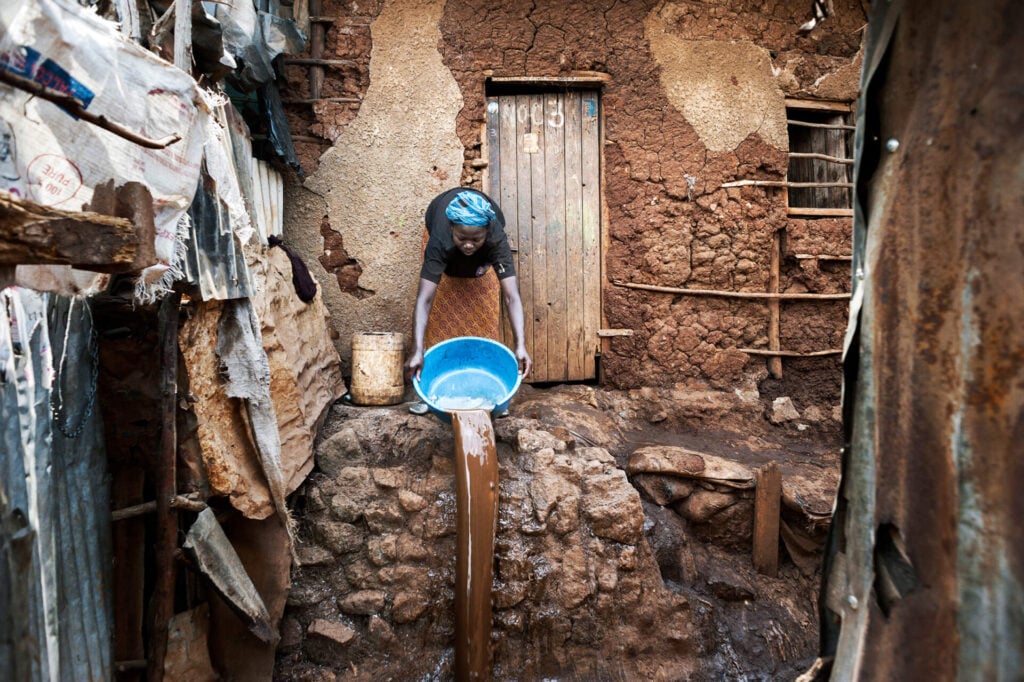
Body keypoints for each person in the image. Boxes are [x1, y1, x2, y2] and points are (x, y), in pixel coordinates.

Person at [406, 188, 532, 411]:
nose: (468, 244)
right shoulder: (439, 239)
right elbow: (424, 300)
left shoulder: (495, 239)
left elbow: (511, 297)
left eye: (476, 239)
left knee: (483, 318)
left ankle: (489, 395)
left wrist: (520, 345)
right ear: (451, 228)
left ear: (487, 233)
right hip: (445, 253)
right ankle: (431, 392)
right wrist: (417, 349)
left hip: (480, 265)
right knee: (440, 318)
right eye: (462, 238)